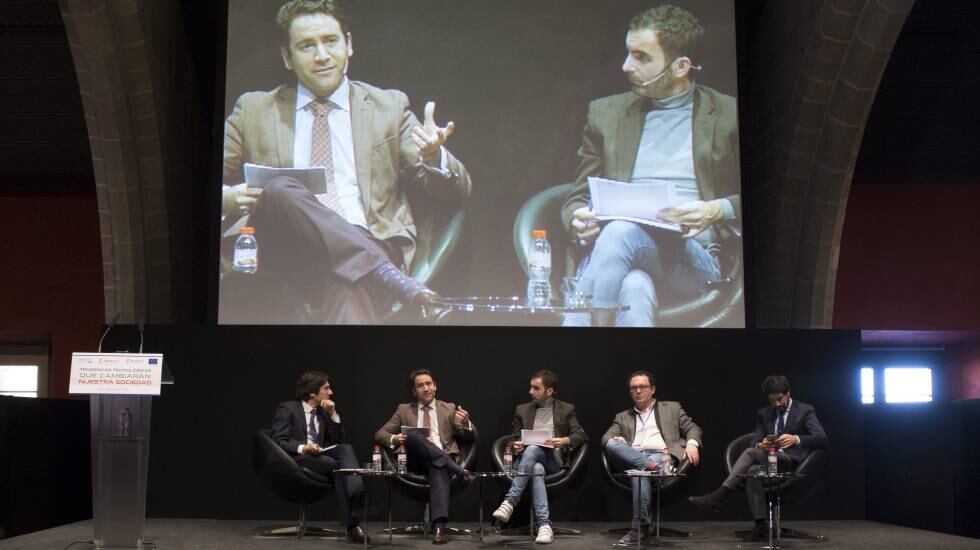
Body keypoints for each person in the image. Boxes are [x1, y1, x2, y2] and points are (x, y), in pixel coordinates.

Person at [221, 0, 471, 324]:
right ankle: (391, 278)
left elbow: (457, 194)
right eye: (307, 46)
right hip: (281, 252)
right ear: (287, 57)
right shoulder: (254, 110)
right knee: (281, 189)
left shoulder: (388, 107)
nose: (322, 55)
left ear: (349, 45)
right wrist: (226, 198)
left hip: (368, 239)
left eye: (330, 41)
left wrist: (434, 156)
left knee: (349, 284)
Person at [562, 5, 740, 327]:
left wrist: (717, 209)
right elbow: (576, 198)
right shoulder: (606, 114)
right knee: (635, 287)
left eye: (642, 57)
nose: (626, 66)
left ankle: (569, 345)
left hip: (693, 255)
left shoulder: (729, 116)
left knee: (619, 232)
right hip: (618, 254)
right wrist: (578, 220)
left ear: (680, 66)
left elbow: (766, 207)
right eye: (628, 53)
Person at [689, 375, 828, 542]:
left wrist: (796, 439)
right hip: (769, 463)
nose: (776, 404)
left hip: (790, 464)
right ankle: (760, 525)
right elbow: (755, 440)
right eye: (772, 400)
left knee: (749, 454)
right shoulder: (764, 413)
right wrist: (760, 445)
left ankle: (719, 495)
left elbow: (822, 438)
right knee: (752, 470)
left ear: (788, 393)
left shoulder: (805, 410)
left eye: (780, 399)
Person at [375, 369, 477, 544]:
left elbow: (471, 436)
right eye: (420, 385)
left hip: (439, 459)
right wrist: (395, 438)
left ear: (435, 386)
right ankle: (456, 469)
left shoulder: (449, 408)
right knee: (413, 436)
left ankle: (439, 527)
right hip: (415, 461)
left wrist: (466, 424)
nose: (426, 388)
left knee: (438, 466)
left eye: (429, 384)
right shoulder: (404, 410)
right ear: (414, 391)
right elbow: (380, 434)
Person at [602, 370, 702, 545]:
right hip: (633, 455)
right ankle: (652, 469)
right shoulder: (622, 416)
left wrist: (692, 443)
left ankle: (639, 527)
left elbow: (692, 428)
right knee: (611, 445)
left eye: (642, 387)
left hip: (660, 455)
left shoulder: (672, 408)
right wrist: (616, 438)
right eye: (634, 388)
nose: (638, 391)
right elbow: (606, 438)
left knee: (639, 471)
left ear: (653, 389)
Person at [491, 370, 588, 544]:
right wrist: (518, 446)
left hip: (554, 460)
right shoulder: (522, 410)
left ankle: (510, 501)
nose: (530, 391)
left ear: (549, 391)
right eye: (531, 387)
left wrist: (562, 440)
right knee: (536, 468)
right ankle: (544, 525)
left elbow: (581, 435)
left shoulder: (566, 409)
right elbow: (513, 440)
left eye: (536, 388)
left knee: (535, 447)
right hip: (529, 462)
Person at [270, 371, 368, 543]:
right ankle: (354, 515)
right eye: (326, 388)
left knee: (345, 449)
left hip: (321, 455)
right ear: (312, 392)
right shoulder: (288, 409)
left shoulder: (322, 413)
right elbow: (279, 440)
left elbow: (338, 441)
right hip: (296, 459)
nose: (330, 393)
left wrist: (333, 415)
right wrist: (303, 448)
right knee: (336, 466)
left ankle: (355, 497)